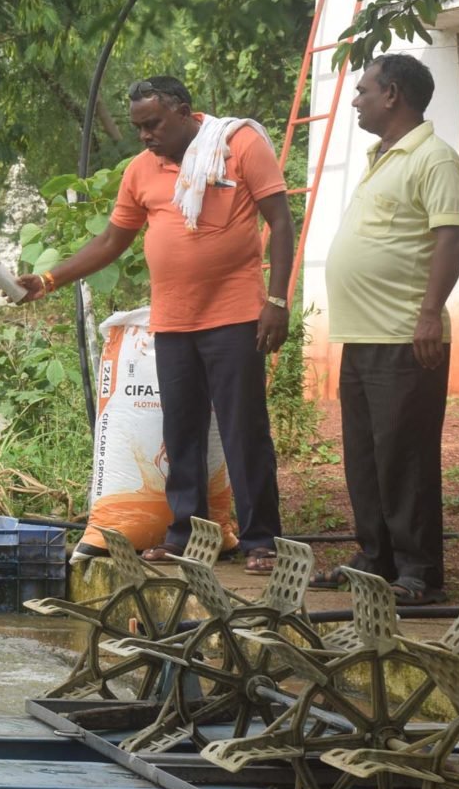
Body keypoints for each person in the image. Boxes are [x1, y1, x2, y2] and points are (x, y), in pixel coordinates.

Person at [18, 76, 295, 574]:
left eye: (153, 124)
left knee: (243, 430)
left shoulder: (239, 146)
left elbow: (281, 219)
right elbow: (110, 242)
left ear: (185, 112)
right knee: (180, 430)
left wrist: (277, 299)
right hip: (173, 321)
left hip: (235, 316)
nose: (145, 136)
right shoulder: (141, 171)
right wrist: (48, 279)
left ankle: (261, 541)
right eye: (138, 127)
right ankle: (185, 532)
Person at [311, 54, 459, 606]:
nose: (355, 100)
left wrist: (429, 312)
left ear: (393, 94)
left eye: (363, 91)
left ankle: (418, 572)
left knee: (405, 455)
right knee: (366, 456)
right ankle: (374, 558)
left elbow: (450, 238)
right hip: (363, 335)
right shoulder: (382, 158)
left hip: (407, 334)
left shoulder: (433, 157)